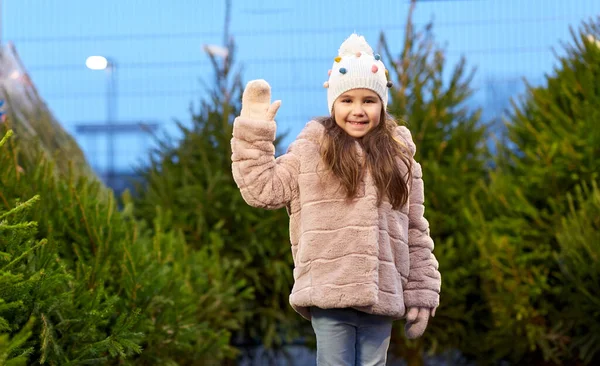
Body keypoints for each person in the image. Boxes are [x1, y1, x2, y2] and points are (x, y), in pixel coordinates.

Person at [231, 33, 441, 366]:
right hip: (329, 292)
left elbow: (415, 230)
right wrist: (254, 131)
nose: (358, 110)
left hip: (382, 292)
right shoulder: (311, 150)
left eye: (368, 100)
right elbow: (263, 189)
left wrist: (422, 292)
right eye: (348, 101)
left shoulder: (400, 159)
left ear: (382, 104)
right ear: (333, 103)